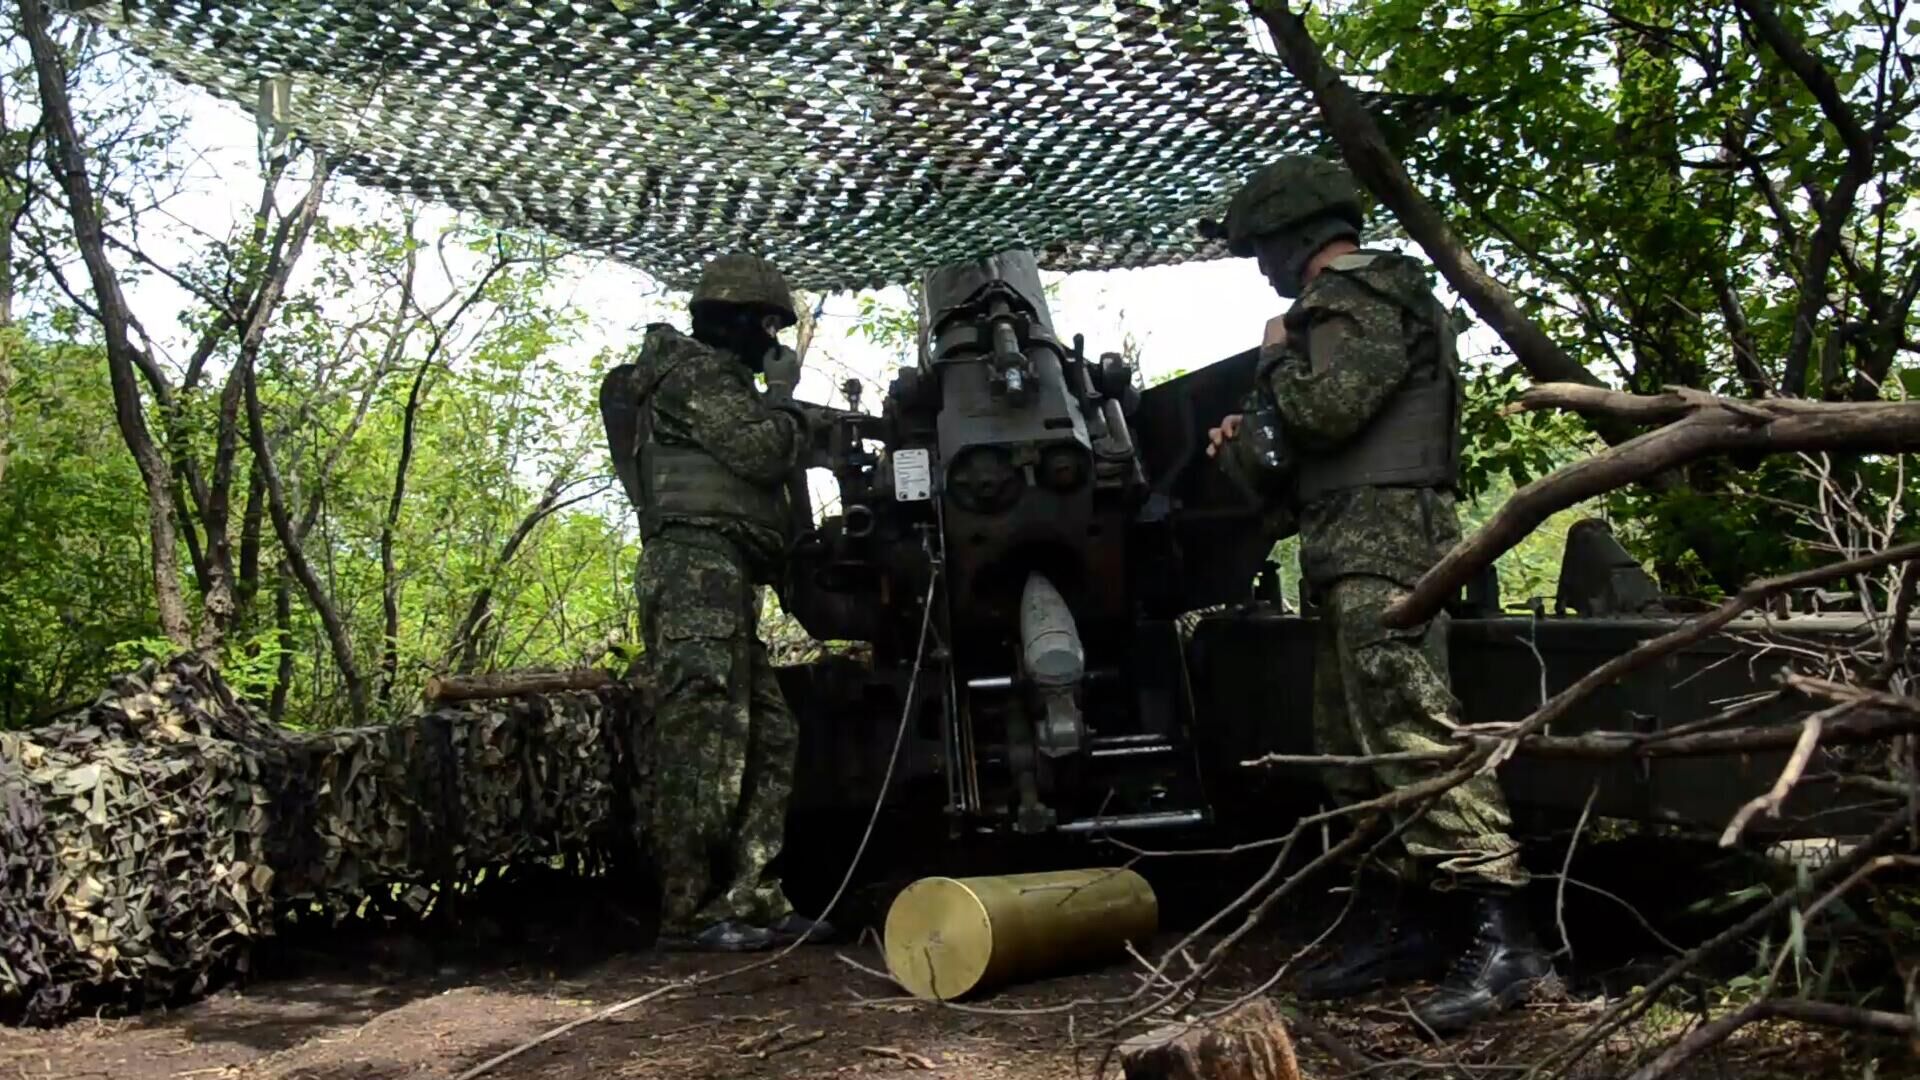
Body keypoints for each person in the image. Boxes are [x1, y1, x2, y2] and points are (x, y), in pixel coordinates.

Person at [1206, 156, 1554, 1033]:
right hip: (1344, 546)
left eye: (1263, 249)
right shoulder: (1352, 306)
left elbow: (1327, 413)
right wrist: (1248, 440)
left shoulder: (1361, 297)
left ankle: (1504, 939)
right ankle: (1408, 921)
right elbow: (1290, 460)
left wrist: (1275, 365)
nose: (1261, 268)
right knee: (1350, 749)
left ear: (1297, 235)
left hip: (1386, 546)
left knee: (1410, 726)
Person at [598, 253, 830, 952]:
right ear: (731, 322)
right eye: (766, 324)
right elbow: (760, 453)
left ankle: (752, 896)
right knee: (704, 734)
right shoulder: (692, 372)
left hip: (724, 575)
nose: (773, 342)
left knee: (770, 732)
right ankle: (689, 910)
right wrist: (786, 398)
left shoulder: (715, 380)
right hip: (693, 568)